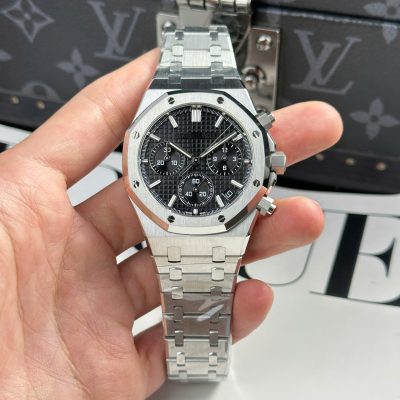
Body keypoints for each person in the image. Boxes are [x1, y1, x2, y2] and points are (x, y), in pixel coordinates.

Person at [0, 49, 342, 399]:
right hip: (181, 217)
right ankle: (198, 363)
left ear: (269, 162)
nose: (195, 161)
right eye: (180, 156)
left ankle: (200, 362)